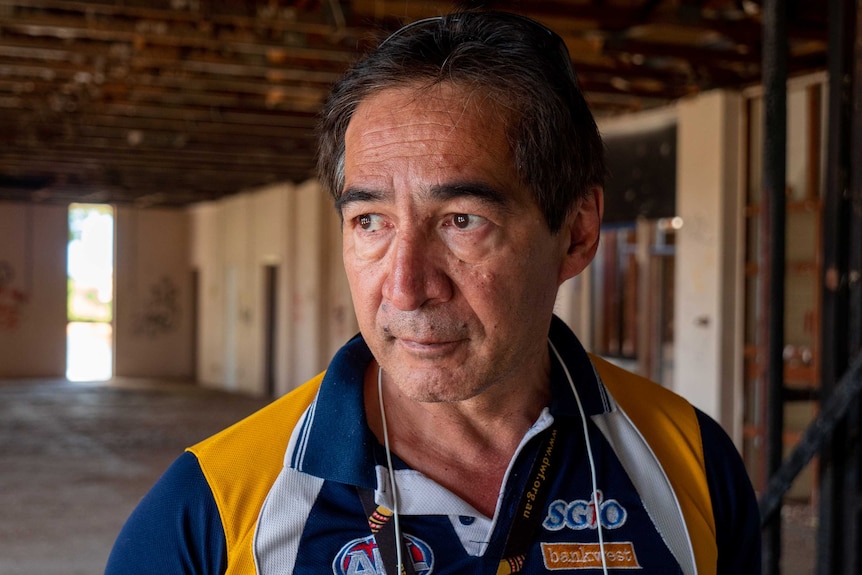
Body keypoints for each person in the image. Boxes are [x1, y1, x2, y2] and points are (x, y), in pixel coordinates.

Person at [106, 10, 761, 575]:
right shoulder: (213, 508)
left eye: (462, 221)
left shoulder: (691, 464)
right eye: (371, 222)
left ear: (578, 232)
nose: (405, 286)